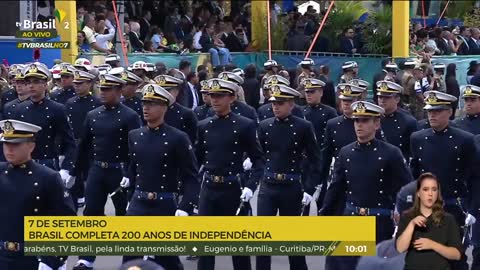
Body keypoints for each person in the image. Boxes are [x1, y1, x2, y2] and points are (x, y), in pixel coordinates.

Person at [320, 101, 412, 270]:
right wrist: (324, 215)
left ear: (376, 124)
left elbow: (407, 187)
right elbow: (336, 189)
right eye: (356, 120)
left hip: (379, 222)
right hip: (351, 219)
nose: (359, 125)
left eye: (364, 121)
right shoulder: (346, 152)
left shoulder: (390, 153)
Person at [121, 84, 199, 270]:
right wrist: (128, 186)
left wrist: (185, 206)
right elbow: (135, 166)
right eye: (144, 103)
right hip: (139, 202)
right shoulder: (135, 135)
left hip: (164, 203)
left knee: (167, 258)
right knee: (130, 257)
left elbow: (191, 176)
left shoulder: (177, 138)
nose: (146, 108)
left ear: (164, 107)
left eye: (152, 103)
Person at [72, 74, 142, 270]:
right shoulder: (93, 115)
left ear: (119, 91)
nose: (102, 93)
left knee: (125, 215)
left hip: (119, 172)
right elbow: (84, 145)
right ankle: (86, 259)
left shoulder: (130, 116)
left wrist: (131, 174)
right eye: (101, 89)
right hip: (97, 169)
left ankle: (130, 261)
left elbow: (136, 148)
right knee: (91, 213)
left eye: (108, 89)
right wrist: (74, 171)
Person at [196, 78, 264, 270]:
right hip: (209, 189)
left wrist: (251, 186)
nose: (214, 100)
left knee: (238, 246)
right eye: (212, 96)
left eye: (220, 96)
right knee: (205, 247)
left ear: (232, 97)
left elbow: (258, 159)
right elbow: (196, 160)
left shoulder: (245, 125)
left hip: (233, 188)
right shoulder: (204, 125)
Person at [256, 83, 321, 270]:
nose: (275, 106)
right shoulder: (264, 126)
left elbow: (315, 159)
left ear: (291, 104)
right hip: (268, 186)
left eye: (281, 103)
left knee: (293, 241)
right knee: (263, 239)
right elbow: (257, 155)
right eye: (274, 103)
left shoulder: (303, 127)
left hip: (291, 186)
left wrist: (310, 188)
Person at [410, 91, 477, 270]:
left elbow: (474, 177)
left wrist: (473, 208)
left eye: (438, 111)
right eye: (430, 111)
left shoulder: (465, 140)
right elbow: (414, 174)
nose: (432, 115)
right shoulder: (418, 138)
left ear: (449, 112)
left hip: (453, 205)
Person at [0, 119, 75, 270]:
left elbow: (66, 222)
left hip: (32, 258)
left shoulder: (47, 177)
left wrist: (51, 259)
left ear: (31, 146)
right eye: (6, 144)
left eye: (15, 144)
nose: (9, 149)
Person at [11, 63, 75, 186]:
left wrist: (66, 168)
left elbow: (69, 141)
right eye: (28, 82)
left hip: (48, 163)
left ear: (45, 84)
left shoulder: (57, 109)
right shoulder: (19, 109)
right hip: (24, 164)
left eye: (36, 81)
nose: (31, 85)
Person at [396, 173, 462, 269]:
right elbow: (400, 248)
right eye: (425, 189)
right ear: (418, 193)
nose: (430, 194)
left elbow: (457, 255)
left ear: (438, 193)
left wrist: (432, 245)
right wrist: (412, 224)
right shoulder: (407, 217)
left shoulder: (448, 219)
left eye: (434, 190)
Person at [65, 70, 101, 210]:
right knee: (73, 175)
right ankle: (76, 200)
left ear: (90, 84)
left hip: (91, 145)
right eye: (75, 83)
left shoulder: (97, 102)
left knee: (91, 176)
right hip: (74, 143)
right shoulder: (70, 102)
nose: (77, 86)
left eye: (81, 83)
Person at [302, 78, 338, 210]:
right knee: (302, 201)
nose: (308, 94)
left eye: (312, 91)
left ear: (321, 93)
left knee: (321, 200)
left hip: (322, 160)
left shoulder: (329, 112)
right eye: (307, 91)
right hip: (304, 161)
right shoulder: (301, 112)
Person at [376, 80, 418, 159]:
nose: (382, 100)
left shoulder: (408, 121)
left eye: (387, 97)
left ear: (397, 99)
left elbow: (413, 152)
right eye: (380, 97)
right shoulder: (372, 119)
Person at [154, 74, 198, 144]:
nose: (162, 95)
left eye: (167, 91)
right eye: (159, 92)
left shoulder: (186, 114)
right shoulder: (151, 111)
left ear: (176, 92)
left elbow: (192, 141)